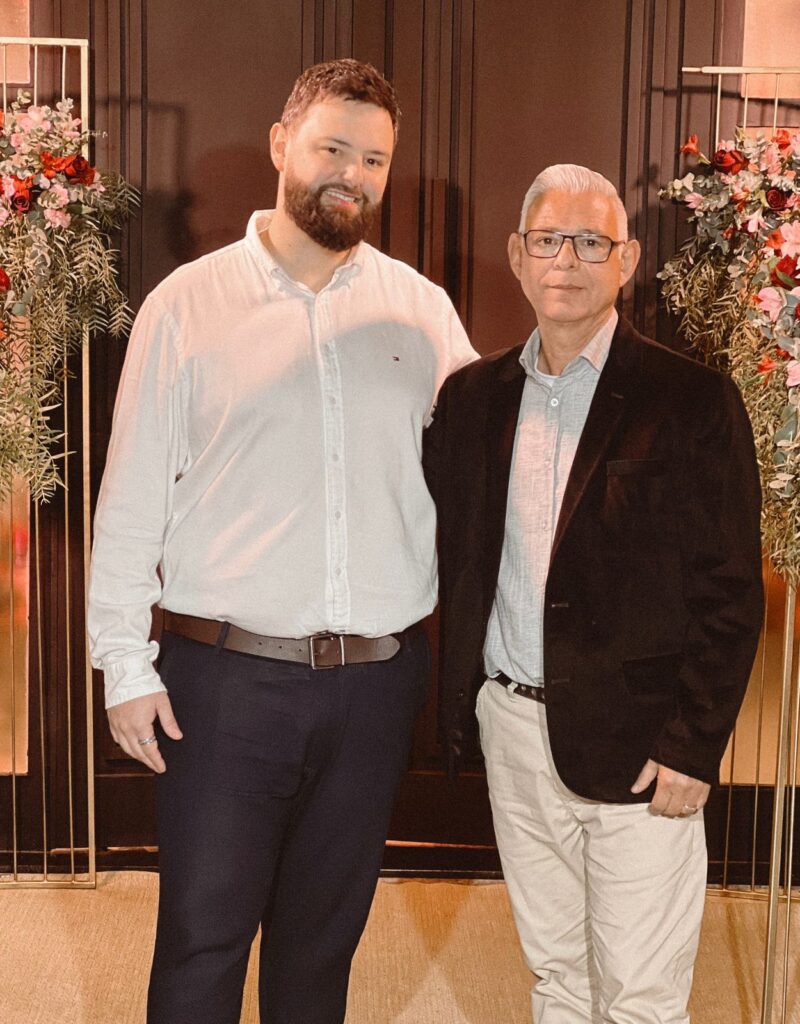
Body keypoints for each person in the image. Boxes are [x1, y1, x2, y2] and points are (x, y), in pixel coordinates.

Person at [88, 59, 475, 1024]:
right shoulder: (187, 304)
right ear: (280, 145)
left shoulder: (421, 310)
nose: (353, 174)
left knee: (320, 954)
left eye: (373, 159)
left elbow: (491, 467)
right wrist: (123, 666)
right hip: (225, 688)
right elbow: (129, 498)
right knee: (201, 945)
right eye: (332, 148)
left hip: (376, 690)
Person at [424, 164, 763, 1023]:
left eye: (590, 242)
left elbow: (730, 591)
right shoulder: (471, 399)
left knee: (640, 997)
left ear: (627, 260)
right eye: (548, 240)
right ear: (517, 255)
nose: (566, 261)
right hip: (514, 729)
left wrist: (694, 745)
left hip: (643, 746)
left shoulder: (692, 400)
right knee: (559, 979)